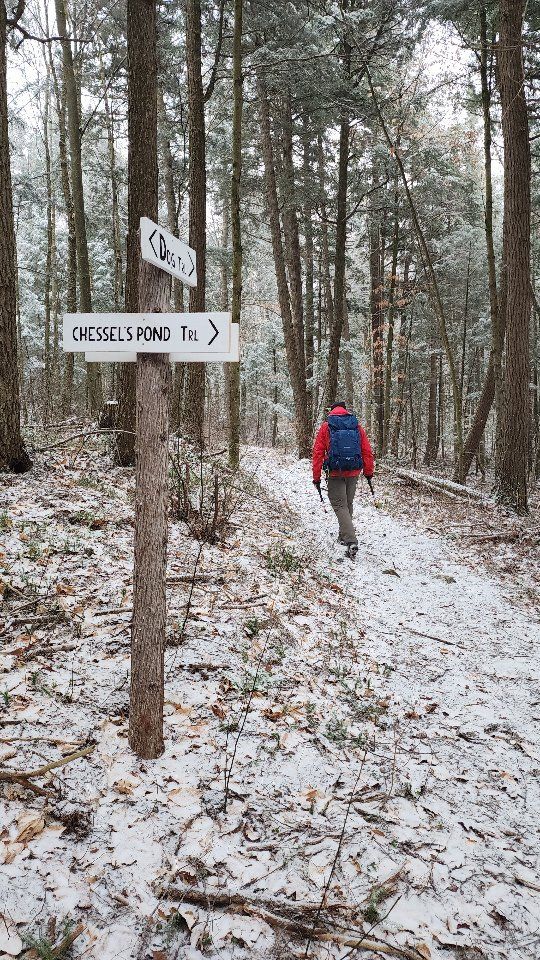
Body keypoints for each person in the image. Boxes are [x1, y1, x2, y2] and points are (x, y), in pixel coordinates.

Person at [312, 402, 375, 554]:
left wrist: (316, 477)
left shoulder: (327, 426)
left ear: (331, 410)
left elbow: (318, 453)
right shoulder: (356, 426)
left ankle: (350, 540)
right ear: (345, 410)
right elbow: (366, 451)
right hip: (354, 470)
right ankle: (343, 535)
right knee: (347, 503)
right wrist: (368, 472)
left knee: (340, 505)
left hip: (335, 471)